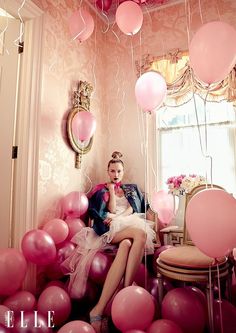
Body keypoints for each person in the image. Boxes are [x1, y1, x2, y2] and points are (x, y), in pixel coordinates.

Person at [61, 151, 156, 333]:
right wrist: (111, 191)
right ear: (108, 171)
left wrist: (120, 217)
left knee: (128, 244)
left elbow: (132, 209)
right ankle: (126, 289)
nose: (116, 174)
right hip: (109, 228)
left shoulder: (130, 189)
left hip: (125, 222)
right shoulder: (102, 189)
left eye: (119, 171)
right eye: (112, 171)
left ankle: (98, 309)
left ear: (123, 171)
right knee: (140, 235)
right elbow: (109, 209)